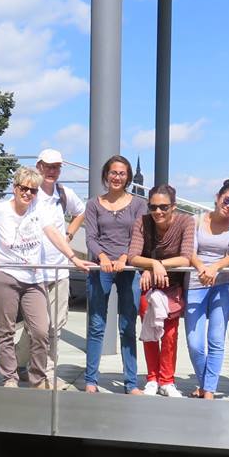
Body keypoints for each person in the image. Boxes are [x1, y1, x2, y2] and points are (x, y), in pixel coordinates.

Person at [0, 167, 92, 389]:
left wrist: (73, 258)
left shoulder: (38, 209)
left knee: (42, 331)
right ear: (15, 188)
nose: (28, 194)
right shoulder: (0, 210)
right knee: (6, 330)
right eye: (24, 189)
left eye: (32, 190)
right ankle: (9, 378)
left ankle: (37, 378)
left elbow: (53, 234)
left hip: (34, 280)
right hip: (7, 277)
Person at [83, 155, 146, 394]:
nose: (117, 177)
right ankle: (91, 380)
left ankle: (131, 383)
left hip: (127, 268)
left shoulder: (139, 204)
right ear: (106, 175)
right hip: (101, 268)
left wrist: (124, 258)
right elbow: (90, 237)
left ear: (128, 177)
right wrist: (102, 258)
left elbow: (139, 237)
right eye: (113, 172)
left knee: (128, 325)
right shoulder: (93, 204)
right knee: (97, 324)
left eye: (122, 173)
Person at [128, 184, 195, 397]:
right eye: (153, 207)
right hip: (148, 284)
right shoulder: (143, 221)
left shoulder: (186, 221)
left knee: (170, 335)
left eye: (163, 207)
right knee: (149, 333)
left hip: (172, 285)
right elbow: (133, 256)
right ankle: (152, 378)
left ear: (173, 207)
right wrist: (152, 266)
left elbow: (185, 257)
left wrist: (157, 264)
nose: (157, 212)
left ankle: (167, 380)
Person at [185, 179, 229, 399]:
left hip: (225, 283)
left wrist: (216, 267)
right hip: (195, 281)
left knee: (217, 339)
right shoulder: (196, 220)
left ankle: (208, 390)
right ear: (218, 197)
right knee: (195, 343)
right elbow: (189, 251)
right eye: (227, 200)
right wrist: (202, 268)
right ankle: (204, 383)